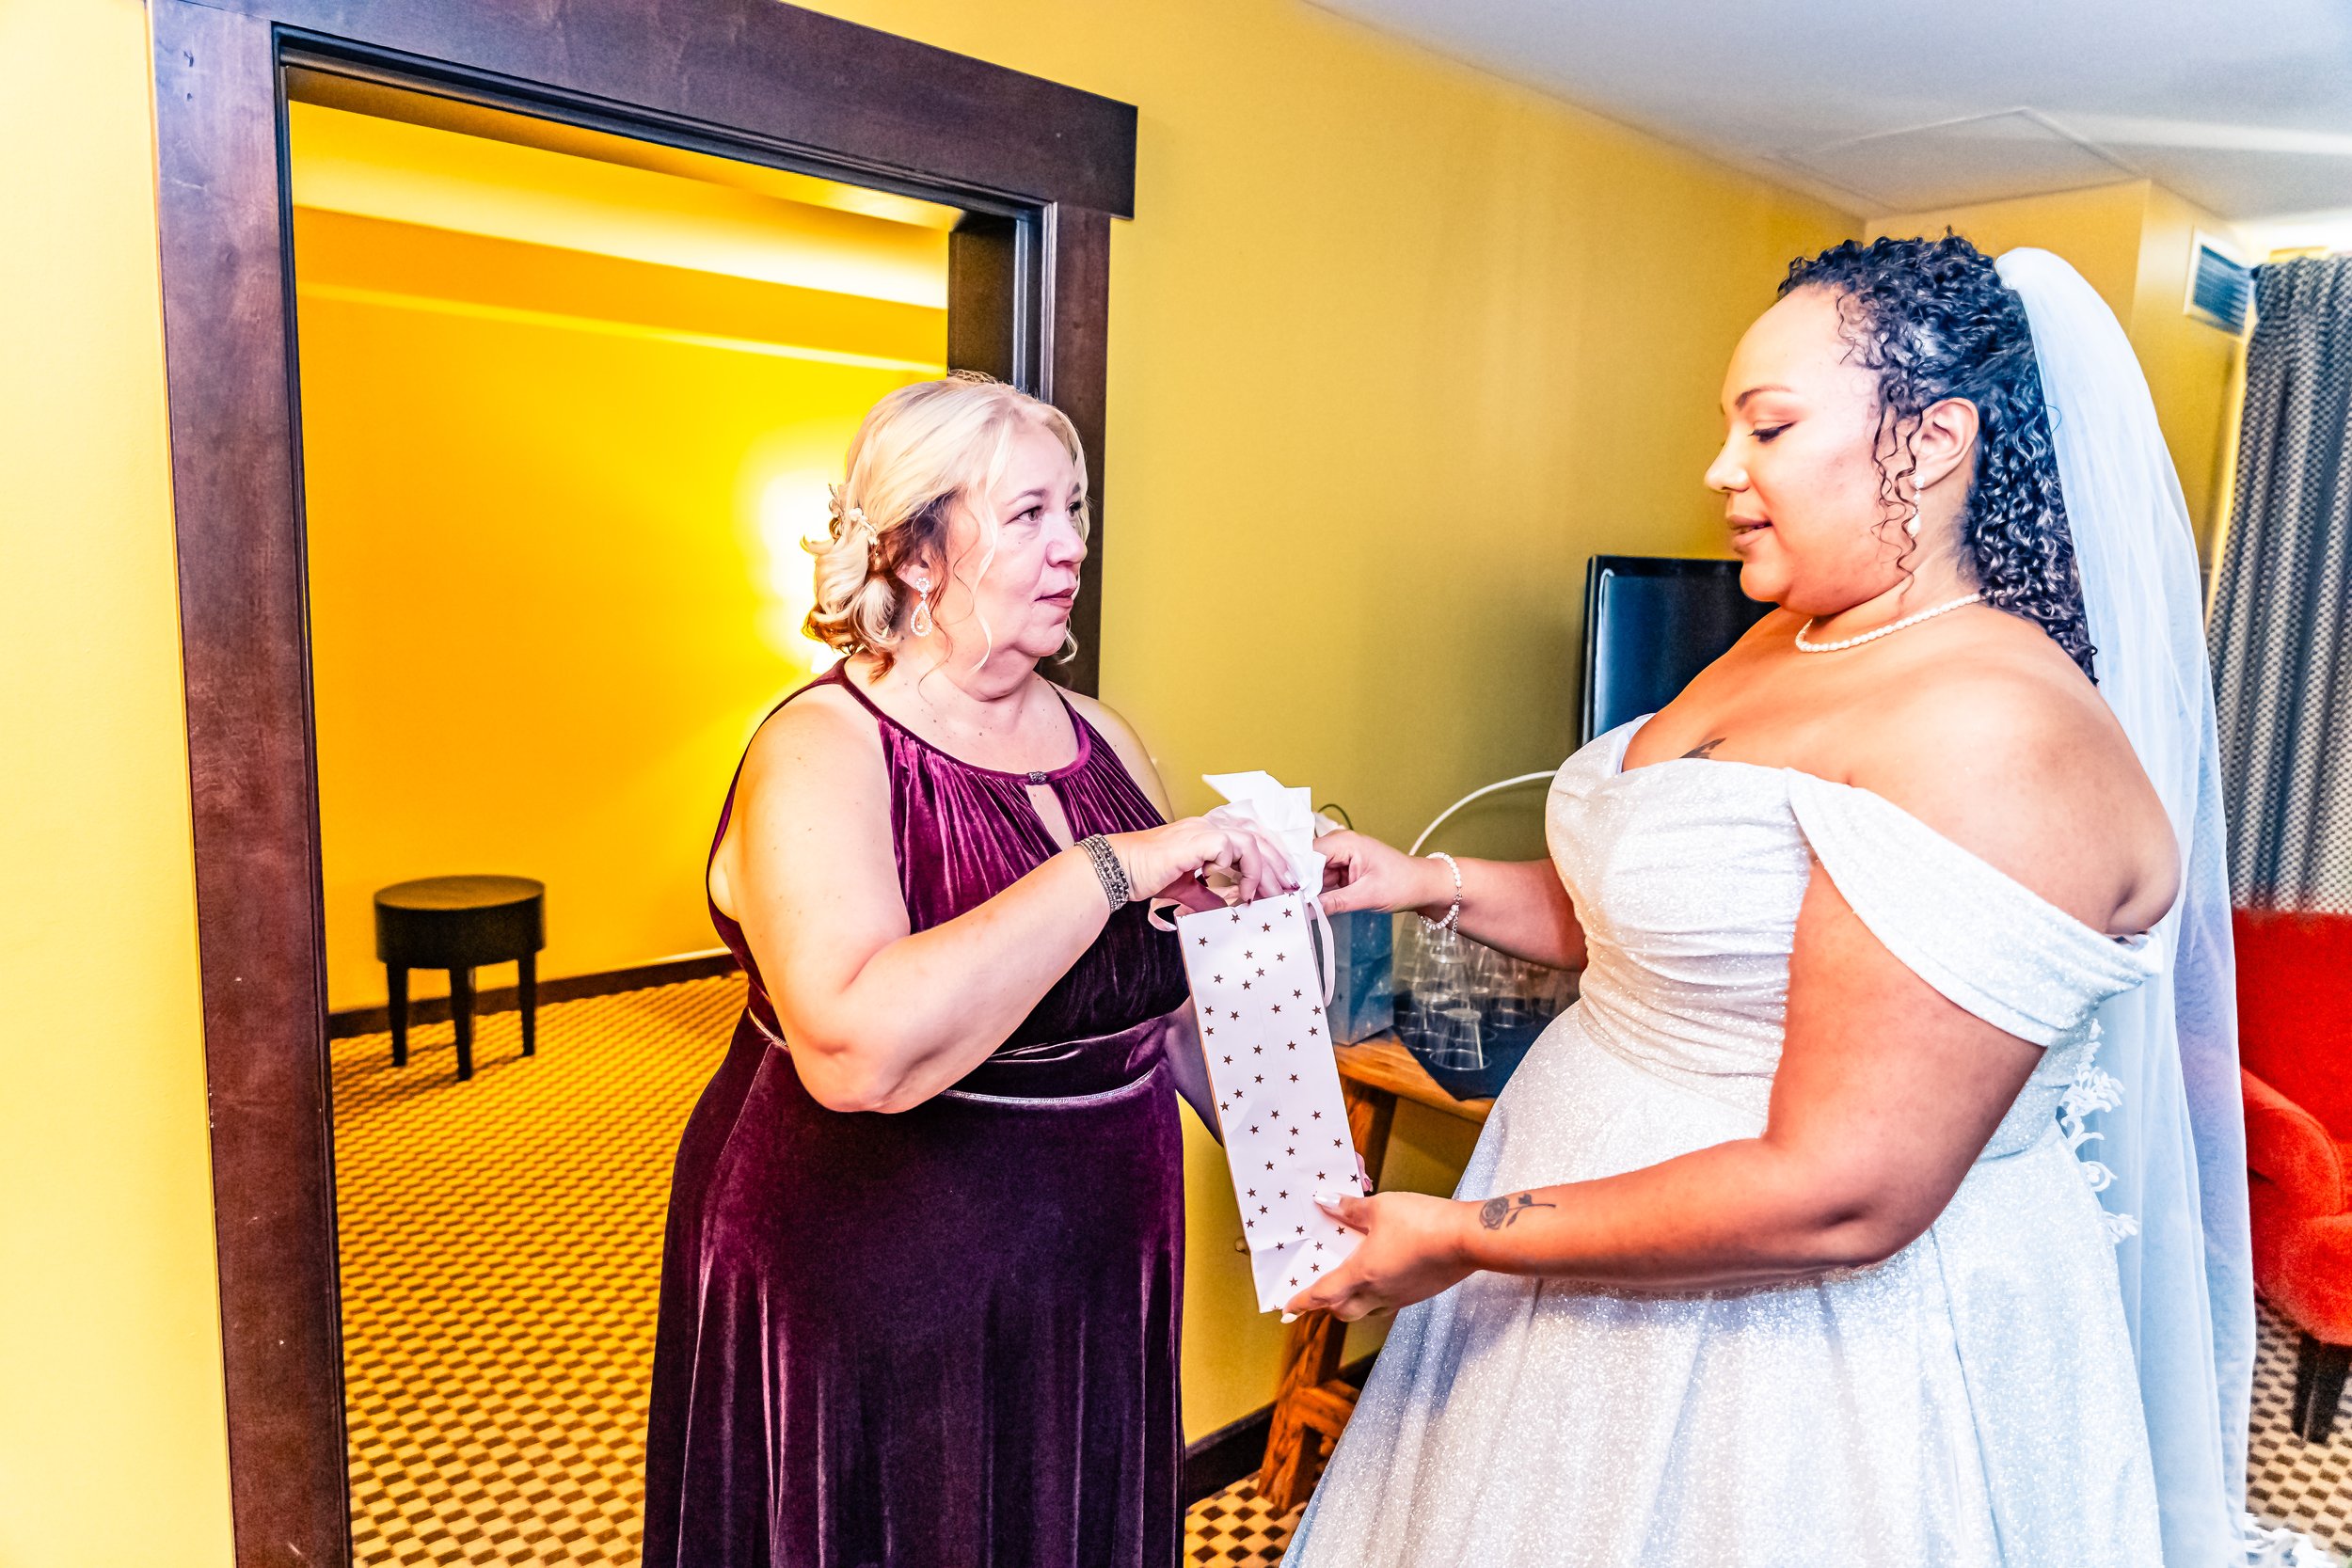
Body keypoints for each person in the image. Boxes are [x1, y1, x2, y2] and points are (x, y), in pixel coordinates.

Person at [1281, 237, 2288, 1566]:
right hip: (1585, 1242)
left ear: (1931, 442)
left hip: (1796, 1352)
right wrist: (1426, 882)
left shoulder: (1988, 729)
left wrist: (1466, 1234)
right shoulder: (1793, 629)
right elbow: (1657, 931)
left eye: (1767, 425)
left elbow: (1842, 1193)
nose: (1720, 467)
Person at [639, 373, 1292, 1568]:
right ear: (916, 550)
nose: (1072, 545)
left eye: (1075, 509)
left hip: (1100, 1267)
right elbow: (856, 1049)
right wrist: (1106, 868)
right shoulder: (821, 747)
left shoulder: (1103, 737)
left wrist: (1299, 1191)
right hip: (883, 1268)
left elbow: (1163, 1005)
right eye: (1030, 513)